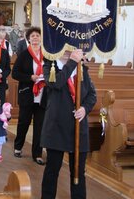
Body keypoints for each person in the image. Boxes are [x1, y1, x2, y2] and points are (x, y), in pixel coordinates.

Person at [40, 49, 97, 199]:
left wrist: (85, 108)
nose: (69, 50)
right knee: (52, 170)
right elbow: (56, 83)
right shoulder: (50, 66)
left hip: (78, 127)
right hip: (56, 127)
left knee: (78, 172)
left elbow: (92, 94)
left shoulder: (82, 68)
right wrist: (72, 62)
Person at [12, 26, 47, 165]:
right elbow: (15, 73)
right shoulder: (24, 55)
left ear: (40, 38)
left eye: (37, 35)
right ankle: (18, 146)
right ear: (29, 39)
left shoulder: (47, 55)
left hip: (43, 95)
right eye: (32, 36)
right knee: (24, 122)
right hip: (28, 93)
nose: (35, 38)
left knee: (40, 125)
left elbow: (53, 70)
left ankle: (37, 153)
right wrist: (30, 77)